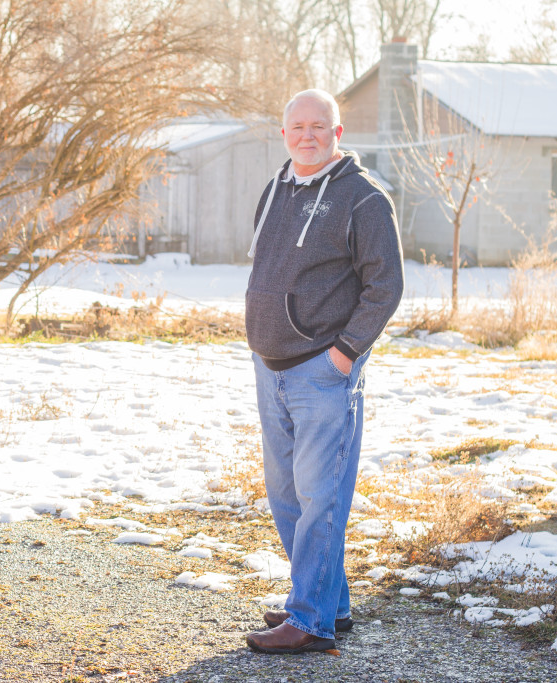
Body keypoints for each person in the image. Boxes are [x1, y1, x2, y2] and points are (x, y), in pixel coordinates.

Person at [243, 89, 404, 655]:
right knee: (287, 496)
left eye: (320, 126)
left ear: (338, 133)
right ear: (283, 132)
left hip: (322, 372)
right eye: (297, 126)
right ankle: (329, 603)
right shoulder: (277, 187)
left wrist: (345, 353)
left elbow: (386, 286)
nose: (307, 135)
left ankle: (309, 621)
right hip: (271, 366)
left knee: (321, 497)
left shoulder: (364, 199)